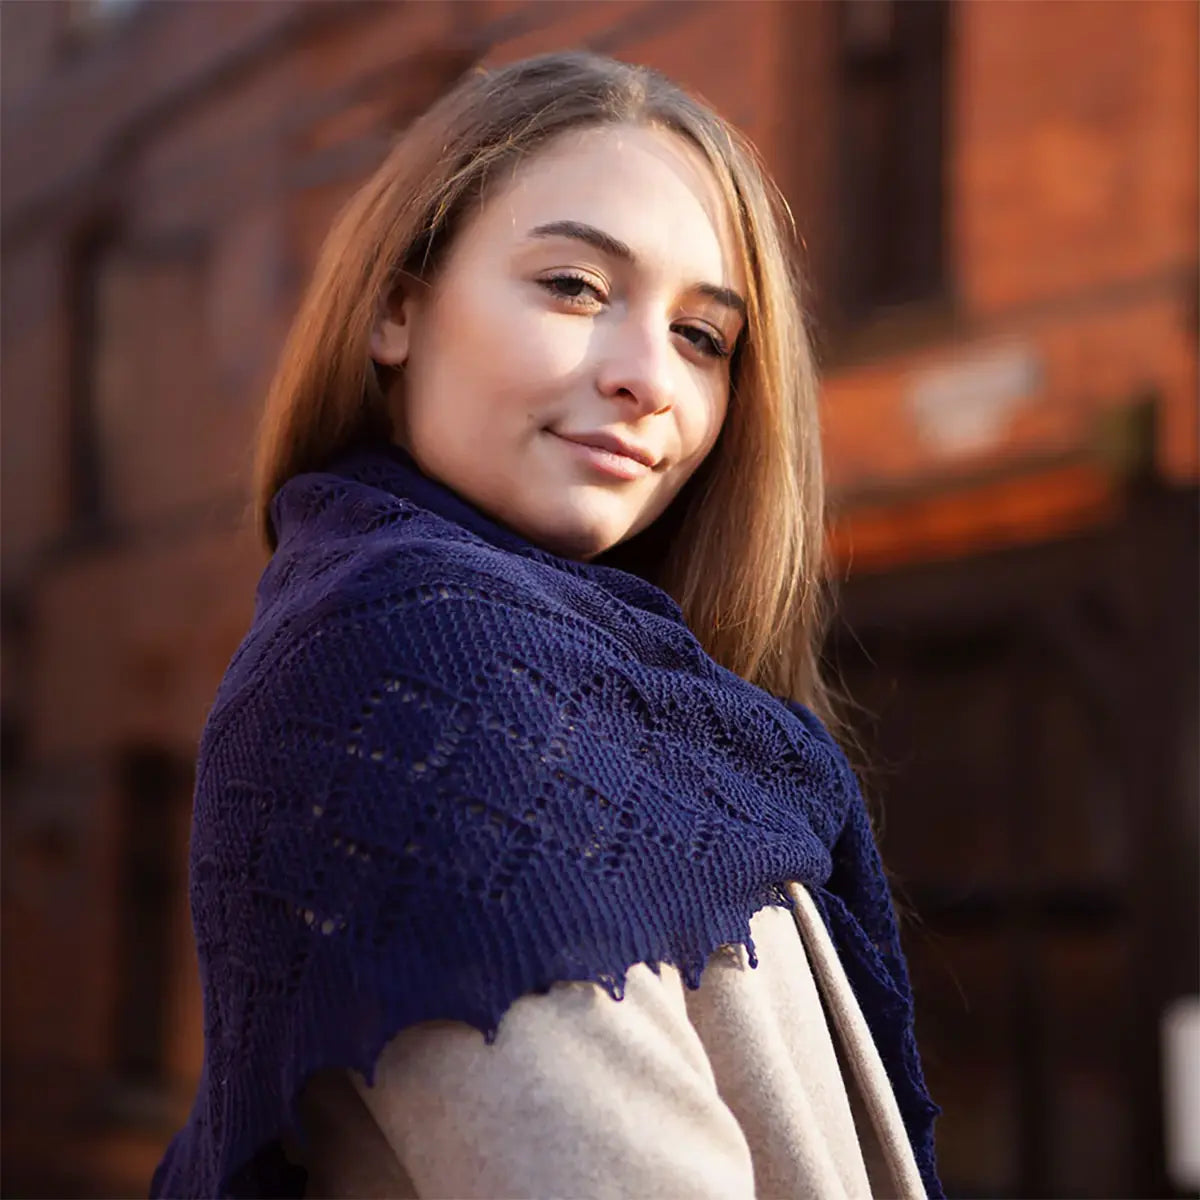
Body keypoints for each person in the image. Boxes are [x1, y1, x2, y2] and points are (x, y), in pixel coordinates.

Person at [150, 51, 941, 1200]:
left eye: (704, 338)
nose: (648, 378)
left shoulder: (662, 708)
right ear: (394, 307)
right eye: (573, 286)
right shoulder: (418, 657)